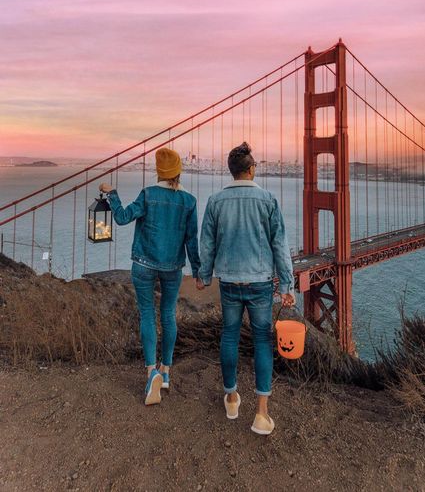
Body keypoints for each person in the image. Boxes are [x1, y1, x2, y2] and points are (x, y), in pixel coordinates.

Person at [197, 142, 295, 435]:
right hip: (260, 282)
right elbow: (279, 244)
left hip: (229, 281)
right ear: (251, 169)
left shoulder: (215, 202)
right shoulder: (268, 200)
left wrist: (203, 274)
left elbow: (208, 243)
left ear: (231, 171)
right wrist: (287, 284)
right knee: (263, 341)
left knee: (229, 337)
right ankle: (261, 415)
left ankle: (231, 398)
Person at [99, 147, 200, 406]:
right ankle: (166, 372)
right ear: (178, 171)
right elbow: (191, 241)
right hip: (172, 268)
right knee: (168, 315)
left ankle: (150, 372)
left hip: (143, 264)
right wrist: (198, 271)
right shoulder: (189, 201)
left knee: (147, 314)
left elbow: (121, 218)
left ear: (158, 171)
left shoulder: (148, 195)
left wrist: (112, 194)